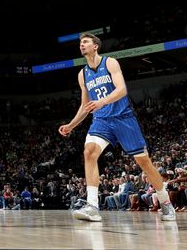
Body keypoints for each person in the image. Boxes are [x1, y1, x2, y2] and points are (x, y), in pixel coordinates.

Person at [58, 33, 176, 222]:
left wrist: (102, 101)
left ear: (95, 46)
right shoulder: (83, 74)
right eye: (80, 43)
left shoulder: (110, 63)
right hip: (101, 120)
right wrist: (71, 125)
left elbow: (122, 89)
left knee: (144, 162)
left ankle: (166, 203)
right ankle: (92, 207)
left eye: (86, 42)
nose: (82, 45)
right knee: (89, 152)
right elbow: (85, 105)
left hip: (123, 118)